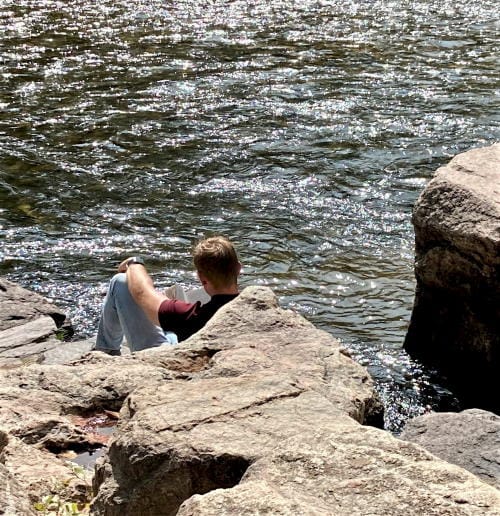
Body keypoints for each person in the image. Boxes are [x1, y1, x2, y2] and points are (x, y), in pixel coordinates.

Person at [93, 236, 241, 355]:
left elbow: (141, 292)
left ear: (201, 278)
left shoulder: (190, 316)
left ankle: (106, 353)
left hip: (168, 358)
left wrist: (135, 263)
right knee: (170, 327)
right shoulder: (249, 307)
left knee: (120, 281)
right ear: (239, 268)